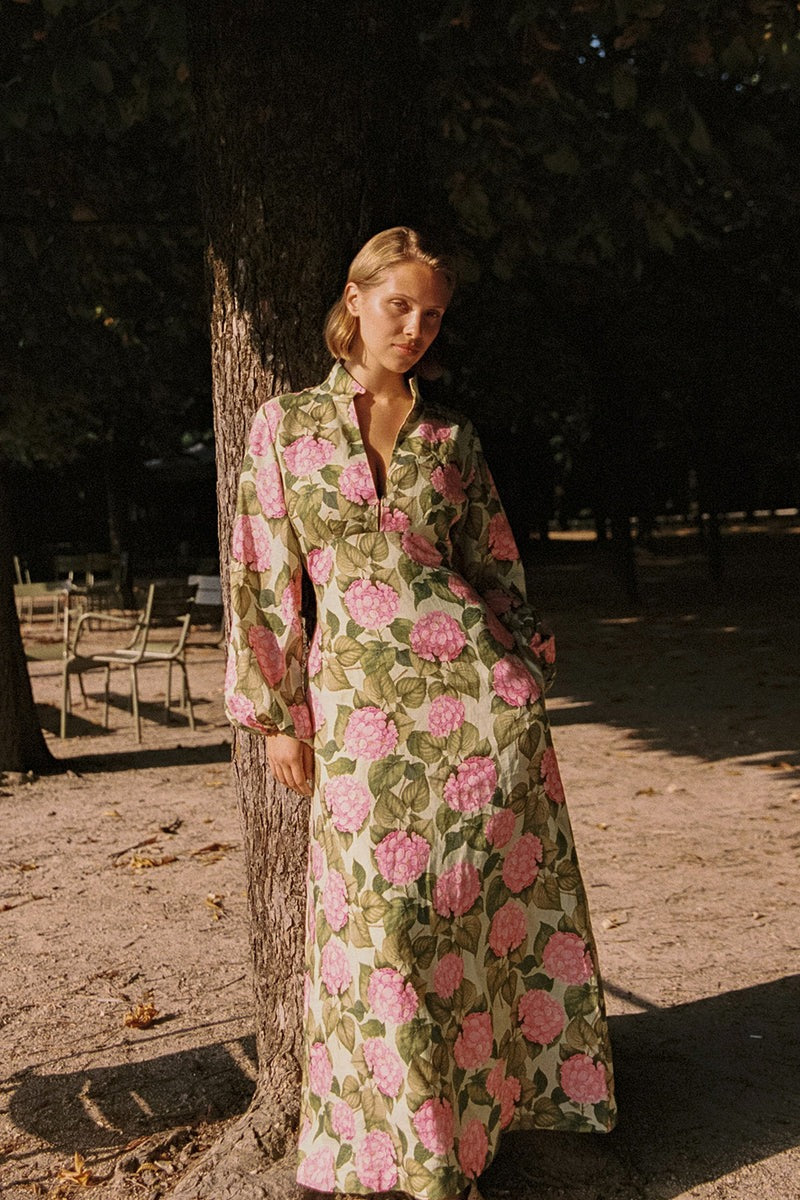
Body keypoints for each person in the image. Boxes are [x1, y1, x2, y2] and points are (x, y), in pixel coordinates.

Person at [225, 227, 616, 1200]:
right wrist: (278, 715)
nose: (413, 327)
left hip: (477, 708)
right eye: (398, 304)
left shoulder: (451, 439)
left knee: (466, 926)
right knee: (385, 928)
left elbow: (494, 564)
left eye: (431, 314)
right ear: (353, 300)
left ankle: (478, 1127)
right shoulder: (284, 426)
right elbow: (261, 576)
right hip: (356, 711)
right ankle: (405, 1147)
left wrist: (525, 670)